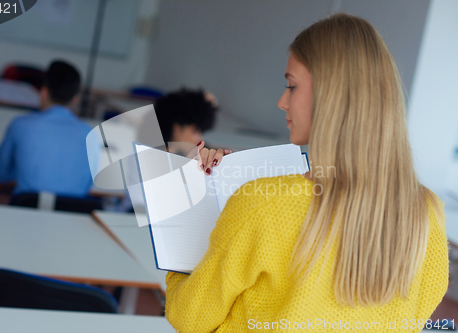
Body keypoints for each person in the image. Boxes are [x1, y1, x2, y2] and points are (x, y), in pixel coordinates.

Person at [164, 13, 449, 332]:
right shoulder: (427, 212)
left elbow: (190, 318)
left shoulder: (263, 204)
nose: (281, 101)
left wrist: (190, 211)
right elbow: (420, 311)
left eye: (291, 86)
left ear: (332, 96)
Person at [0, 60, 97, 197]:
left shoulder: (20, 125)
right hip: (71, 214)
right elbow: (87, 185)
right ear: (75, 99)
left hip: (26, 211)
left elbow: (1, 175)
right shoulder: (90, 134)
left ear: (43, 92)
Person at [121, 88, 225, 212]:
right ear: (176, 128)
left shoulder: (183, 156)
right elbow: (141, 209)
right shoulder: (142, 157)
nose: (199, 138)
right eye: (195, 131)